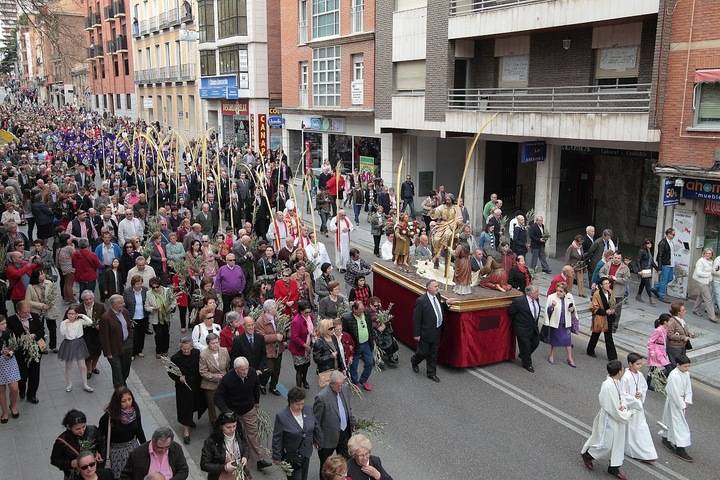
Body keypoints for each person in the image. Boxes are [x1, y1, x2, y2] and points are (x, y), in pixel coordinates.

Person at [214, 356, 273, 471]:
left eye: (246, 368)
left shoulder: (252, 373)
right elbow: (218, 396)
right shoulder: (227, 379)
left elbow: (256, 387)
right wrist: (226, 411)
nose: (245, 372)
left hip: (248, 409)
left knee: (253, 434)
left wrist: (256, 402)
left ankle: (259, 459)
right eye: (242, 369)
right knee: (235, 436)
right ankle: (237, 461)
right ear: (236, 369)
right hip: (233, 412)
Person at [580, 360, 632, 480]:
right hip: (610, 417)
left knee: (618, 443)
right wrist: (625, 414)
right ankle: (588, 455)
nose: (624, 371)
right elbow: (610, 407)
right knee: (606, 443)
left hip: (618, 415)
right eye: (622, 369)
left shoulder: (617, 381)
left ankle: (614, 467)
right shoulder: (607, 385)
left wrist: (623, 404)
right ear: (619, 372)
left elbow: (622, 395)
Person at [272, 386, 321, 480]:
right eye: (297, 404)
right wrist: (276, 456)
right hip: (292, 457)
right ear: (290, 402)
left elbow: (315, 425)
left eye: (302, 403)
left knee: (304, 477)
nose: (300, 407)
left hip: (306, 452)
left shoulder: (308, 409)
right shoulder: (282, 416)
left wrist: (317, 440)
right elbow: (277, 438)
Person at [98, 387, 147, 480]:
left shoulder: (135, 411)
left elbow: (139, 430)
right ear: (117, 402)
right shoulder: (108, 417)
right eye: (123, 401)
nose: (128, 403)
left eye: (129, 399)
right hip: (117, 453)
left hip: (133, 448)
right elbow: (100, 436)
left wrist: (146, 447)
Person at [619, 352, 657, 462]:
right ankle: (636, 452)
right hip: (630, 407)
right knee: (632, 430)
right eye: (637, 364)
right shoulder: (625, 377)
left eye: (641, 364)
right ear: (630, 364)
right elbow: (622, 393)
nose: (640, 366)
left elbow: (643, 387)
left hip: (637, 407)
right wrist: (633, 399)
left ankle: (646, 453)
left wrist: (640, 393)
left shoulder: (639, 375)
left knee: (641, 429)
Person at [314, 370, 352, 477]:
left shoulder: (344, 389)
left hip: (344, 434)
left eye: (342, 384)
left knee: (345, 462)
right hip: (327, 439)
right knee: (326, 467)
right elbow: (316, 421)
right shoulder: (322, 397)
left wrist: (352, 423)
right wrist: (317, 439)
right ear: (331, 384)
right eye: (338, 385)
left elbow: (348, 408)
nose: (341, 387)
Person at [168, 337, 206, 444]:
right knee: (185, 407)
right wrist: (178, 378)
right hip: (183, 387)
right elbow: (170, 371)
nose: (186, 351)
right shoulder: (175, 358)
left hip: (196, 385)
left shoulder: (196, 353)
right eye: (184, 349)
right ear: (181, 347)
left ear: (191, 347)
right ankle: (186, 430)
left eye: (188, 349)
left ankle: (190, 421)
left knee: (195, 404)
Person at [7, 301, 44, 403]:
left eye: (28, 311)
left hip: (35, 351)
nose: (27, 314)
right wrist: (23, 339)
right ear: (18, 311)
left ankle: (31, 395)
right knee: (22, 375)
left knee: (35, 374)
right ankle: (22, 390)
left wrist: (35, 335)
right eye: (24, 312)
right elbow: (9, 336)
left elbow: (42, 330)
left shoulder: (35, 316)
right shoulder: (11, 320)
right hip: (20, 352)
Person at [51, 409, 105, 480]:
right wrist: (70, 463)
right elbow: (54, 460)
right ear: (68, 427)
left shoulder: (93, 430)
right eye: (78, 429)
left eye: (84, 426)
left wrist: (99, 453)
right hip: (75, 475)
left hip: (93, 469)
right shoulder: (62, 441)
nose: (82, 431)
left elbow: (101, 443)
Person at [659, 354, 693, 462]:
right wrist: (682, 404)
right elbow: (673, 393)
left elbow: (688, 387)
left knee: (670, 420)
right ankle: (680, 447)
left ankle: (665, 437)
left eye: (688, 366)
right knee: (680, 425)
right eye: (685, 366)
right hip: (675, 402)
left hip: (681, 401)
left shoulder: (686, 373)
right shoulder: (673, 375)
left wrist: (687, 399)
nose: (687, 369)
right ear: (678, 365)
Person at [121, 427, 189, 480]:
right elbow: (125, 476)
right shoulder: (138, 453)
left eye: (167, 447)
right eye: (160, 448)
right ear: (153, 441)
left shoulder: (176, 448)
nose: (164, 450)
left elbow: (183, 470)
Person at [410, 280, 445, 383]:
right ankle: (414, 360)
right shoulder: (421, 301)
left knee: (433, 353)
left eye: (437, 286)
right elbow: (417, 318)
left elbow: (437, 308)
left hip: (437, 330)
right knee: (423, 352)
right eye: (435, 286)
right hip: (426, 332)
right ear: (428, 288)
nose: (437, 288)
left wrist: (446, 304)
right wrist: (416, 334)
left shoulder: (437, 296)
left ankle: (431, 373)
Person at [200, 411, 250, 480]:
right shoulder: (211, 442)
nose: (232, 430)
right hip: (221, 477)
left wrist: (245, 457)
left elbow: (246, 447)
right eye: (228, 427)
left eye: (234, 426)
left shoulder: (239, 434)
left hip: (239, 476)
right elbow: (204, 465)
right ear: (221, 427)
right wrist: (224, 467)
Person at [99, 294, 134, 388]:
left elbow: (129, 326)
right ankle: (120, 389)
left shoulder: (125, 312)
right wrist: (108, 353)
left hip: (127, 345)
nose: (123, 304)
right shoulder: (105, 317)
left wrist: (130, 339)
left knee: (126, 368)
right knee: (117, 371)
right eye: (120, 303)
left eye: (123, 302)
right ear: (113, 304)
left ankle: (122, 383)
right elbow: (104, 337)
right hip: (114, 349)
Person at [58, 305, 94, 393]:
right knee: (68, 366)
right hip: (68, 344)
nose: (71, 315)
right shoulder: (64, 322)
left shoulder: (80, 321)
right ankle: (69, 384)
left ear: (76, 314)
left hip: (79, 343)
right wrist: (66, 323)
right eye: (69, 313)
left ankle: (85, 384)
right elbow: (62, 333)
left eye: (73, 314)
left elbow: (90, 322)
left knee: (82, 366)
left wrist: (82, 315)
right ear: (67, 314)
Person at [342, 301, 374, 391]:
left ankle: (363, 380)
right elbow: (344, 334)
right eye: (359, 310)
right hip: (355, 346)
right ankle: (355, 382)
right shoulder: (346, 318)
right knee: (354, 365)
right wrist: (348, 346)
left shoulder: (366, 315)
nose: (361, 313)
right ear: (354, 309)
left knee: (370, 362)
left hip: (366, 343)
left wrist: (372, 341)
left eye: (362, 310)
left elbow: (370, 329)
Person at [199, 333, 230, 426]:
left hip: (224, 383)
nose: (216, 345)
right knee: (212, 406)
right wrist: (216, 377)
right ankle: (214, 424)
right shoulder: (203, 355)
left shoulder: (224, 351)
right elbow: (203, 372)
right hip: (210, 385)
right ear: (208, 344)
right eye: (213, 343)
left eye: (217, 342)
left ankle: (226, 421)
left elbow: (228, 365)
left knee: (225, 403)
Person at [257, 299, 286, 396]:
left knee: (277, 370)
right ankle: (262, 384)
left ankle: (273, 386)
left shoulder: (277, 318)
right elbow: (261, 337)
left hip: (278, 349)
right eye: (274, 307)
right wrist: (275, 337)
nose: (276, 309)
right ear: (269, 310)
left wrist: (283, 336)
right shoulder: (260, 321)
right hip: (268, 350)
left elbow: (283, 329)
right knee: (269, 369)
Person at [509, 285, 541, 373]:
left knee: (535, 343)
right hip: (522, 328)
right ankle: (527, 364)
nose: (538, 294)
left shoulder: (536, 299)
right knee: (526, 346)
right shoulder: (519, 301)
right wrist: (519, 322)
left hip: (533, 327)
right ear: (530, 294)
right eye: (536, 292)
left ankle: (523, 355)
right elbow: (511, 312)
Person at [545, 283, 577, 367]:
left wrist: (572, 309)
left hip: (566, 322)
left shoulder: (569, 296)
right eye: (557, 290)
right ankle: (551, 355)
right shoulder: (551, 297)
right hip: (556, 322)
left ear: (565, 292)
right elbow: (547, 311)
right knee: (554, 341)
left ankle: (570, 358)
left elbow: (574, 309)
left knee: (568, 341)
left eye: (561, 291)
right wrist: (552, 306)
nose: (558, 293)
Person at [24, 269, 56, 352]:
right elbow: (28, 301)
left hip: (49, 310)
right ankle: (42, 347)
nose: (43, 275)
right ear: (36, 277)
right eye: (41, 274)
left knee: (52, 328)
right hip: (37, 312)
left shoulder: (49, 283)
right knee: (39, 330)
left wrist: (49, 304)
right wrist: (42, 306)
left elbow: (54, 295)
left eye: (43, 273)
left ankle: (53, 346)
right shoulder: (30, 287)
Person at [587, 277, 618, 361]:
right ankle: (590, 350)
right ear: (601, 285)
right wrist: (605, 312)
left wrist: (613, 310)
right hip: (600, 317)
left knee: (609, 338)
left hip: (609, 318)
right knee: (595, 335)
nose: (608, 285)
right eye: (605, 284)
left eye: (608, 283)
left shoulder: (610, 292)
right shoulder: (597, 294)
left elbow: (613, 304)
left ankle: (612, 357)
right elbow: (594, 308)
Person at [229, 316, 267, 382]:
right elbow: (234, 358)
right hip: (243, 374)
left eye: (252, 325)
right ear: (244, 326)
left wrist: (260, 369)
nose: (251, 327)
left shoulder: (260, 338)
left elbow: (263, 355)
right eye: (249, 325)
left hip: (257, 373)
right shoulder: (238, 340)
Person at [600, 252, 631, 331]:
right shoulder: (607, 264)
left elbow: (626, 279)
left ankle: (614, 326)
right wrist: (605, 277)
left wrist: (616, 279)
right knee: (605, 308)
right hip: (607, 291)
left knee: (616, 310)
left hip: (618, 292)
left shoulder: (625, 268)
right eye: (615, 257)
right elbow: (600, 272)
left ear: (621, 259)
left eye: (618, 258)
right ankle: (605, 324)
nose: (616, 259)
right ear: (613, 257)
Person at [313, 319, 346, 388]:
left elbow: (339, 354)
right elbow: (317, 359)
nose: (333, 330)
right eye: (330, 329)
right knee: (328, 392)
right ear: (324, 329)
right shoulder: (319, 342)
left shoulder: (333, 337)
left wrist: (343, 368)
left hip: (336, 369)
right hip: (326, 371)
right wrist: (330, 356)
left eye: (333, 328)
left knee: (337, 389)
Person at [0, 315, 21, 423]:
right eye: (2, 324)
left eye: (5, 323)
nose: (5, 325)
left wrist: (10, 352)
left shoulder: (8, 332)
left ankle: (12, 406)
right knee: (1, 390)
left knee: (14, 388)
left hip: (9, 362)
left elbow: (15, 345)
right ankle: (4, 412)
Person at [290, 300, 315, 390]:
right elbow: (294, 337)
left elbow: (310, 330)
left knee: (306, 366)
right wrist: (304, 345)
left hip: (307, 347)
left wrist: (313, 334)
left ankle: (304, 380)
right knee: (299, 369)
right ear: (301, 311)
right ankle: (299, 388)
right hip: (299, 349)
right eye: (306, 312)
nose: (308, 314)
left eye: (309, 311)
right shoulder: (296, 321)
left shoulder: (309, 318)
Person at [123, 275, 148, 359]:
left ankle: (139, 350)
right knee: (133, 336)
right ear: (133, 284)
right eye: (137, 284)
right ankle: (132, 353)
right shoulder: (127, 292)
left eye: (140, 283)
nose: (139, 285)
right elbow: (125, 306)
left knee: (141, 335)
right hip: (132, 317)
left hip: (143, 317)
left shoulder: (145, 290)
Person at [691, 248, 717, 323]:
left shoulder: (711, 261)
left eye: (710, 253)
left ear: (712, 255)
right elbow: (698, 273)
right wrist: (709, 274)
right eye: (707, 253)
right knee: (708, 299)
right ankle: (712, 316)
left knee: (701, 296)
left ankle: (695, 310)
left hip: (707, 281)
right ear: (704, 253)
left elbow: (712, 270)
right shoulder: (700, 261)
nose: (708, 255)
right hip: (701, 282)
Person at [652, 228, 676, 303]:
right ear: (668, 234)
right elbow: (659, 256)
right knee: (664, 280)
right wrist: (659, 268)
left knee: (670, 278)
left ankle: (656, 287)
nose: (673, 236)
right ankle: (662, 296)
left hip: (671, 263)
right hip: (665, 264)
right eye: (672, 234)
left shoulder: (671, 242)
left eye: (674, 234)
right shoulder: (662, 243)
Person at [647, 314, 672, 382]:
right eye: (670, 321)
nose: (671, 322)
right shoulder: (658, 330)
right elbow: (650, 341)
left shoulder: (665, 329)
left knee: (653, 368)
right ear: (665, 322)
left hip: (661, 350)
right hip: (656, 352)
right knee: (669, 368)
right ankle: (661, 379)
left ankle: (648, 383)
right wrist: (652, 351)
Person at [636, 239, 657, 304]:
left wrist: (657, 268)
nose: (649, 244)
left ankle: (638, 295)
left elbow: (652, 262)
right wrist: (639, 270)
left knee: (643, 283)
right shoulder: (642, 251)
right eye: (647, 243)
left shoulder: (650, 251)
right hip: (643, 269)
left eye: (650, 243)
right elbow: (638, 261)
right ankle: (650, 298)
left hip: (648, 270)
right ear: (644, 244)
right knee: (647, 283)